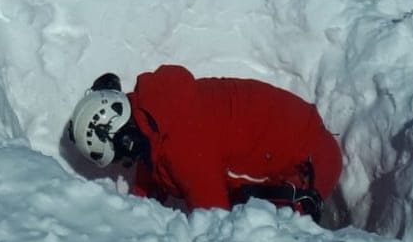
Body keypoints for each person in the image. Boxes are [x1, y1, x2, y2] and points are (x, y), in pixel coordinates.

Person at [62, 64, 342, 220]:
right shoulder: (157, 115)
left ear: (125, 136)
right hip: (300, 142)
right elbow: (151, 173)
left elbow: (213, 219)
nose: (129, 159)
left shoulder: (183, 142)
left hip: (309, 162)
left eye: (124, 152)